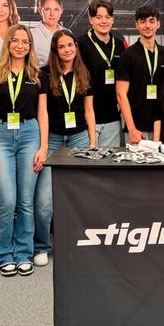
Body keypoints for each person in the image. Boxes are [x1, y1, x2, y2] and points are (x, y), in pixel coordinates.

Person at [0, 24, 48, 277]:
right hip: (1, 136)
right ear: (8, 43)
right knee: (8, 201)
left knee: (26, 202)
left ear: (30, 46)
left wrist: (43, 147)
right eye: (16, 40)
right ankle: (5, 253)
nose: (20, 45)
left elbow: (43, 114)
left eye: (25, 42)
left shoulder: (37, 76)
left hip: (30, 135)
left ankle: (23, 253)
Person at [32, 30, 96, 267]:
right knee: (44, 201)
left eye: (70, 45)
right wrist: (44, 146)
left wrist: (92, 142)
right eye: (62, 46)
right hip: (53, 140)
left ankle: (77, 243)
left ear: (76, 47)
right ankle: (41, 246)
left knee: (80, 196)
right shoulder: (45, 74)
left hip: (79, 139)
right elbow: (42, 113)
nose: (67, 50)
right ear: (55, 50)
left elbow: (89, 111)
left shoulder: (84, 73)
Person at [116, 5, 164, 143]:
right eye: (143, 21)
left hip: (163, 128)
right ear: (136, 24)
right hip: (137, 130)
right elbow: (121, 94)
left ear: (158, 24)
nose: (147, 25)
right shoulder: (128, 55)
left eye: (152, 21)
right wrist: (132, 129)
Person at [77, 0, 127, 147]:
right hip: (87, 116)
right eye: (98, 17)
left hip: (112, 118)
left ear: (113, 19)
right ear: (91, 19)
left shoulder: (119, 44)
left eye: (107, 17)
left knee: (109, 160)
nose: (104, 21)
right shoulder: (81, 43)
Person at [31, 0, 63, 64]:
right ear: (40, 11)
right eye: (47, 9)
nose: (52, 14)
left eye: (56, 9)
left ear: (61, 11)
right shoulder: (31, 35)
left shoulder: (68, 33)